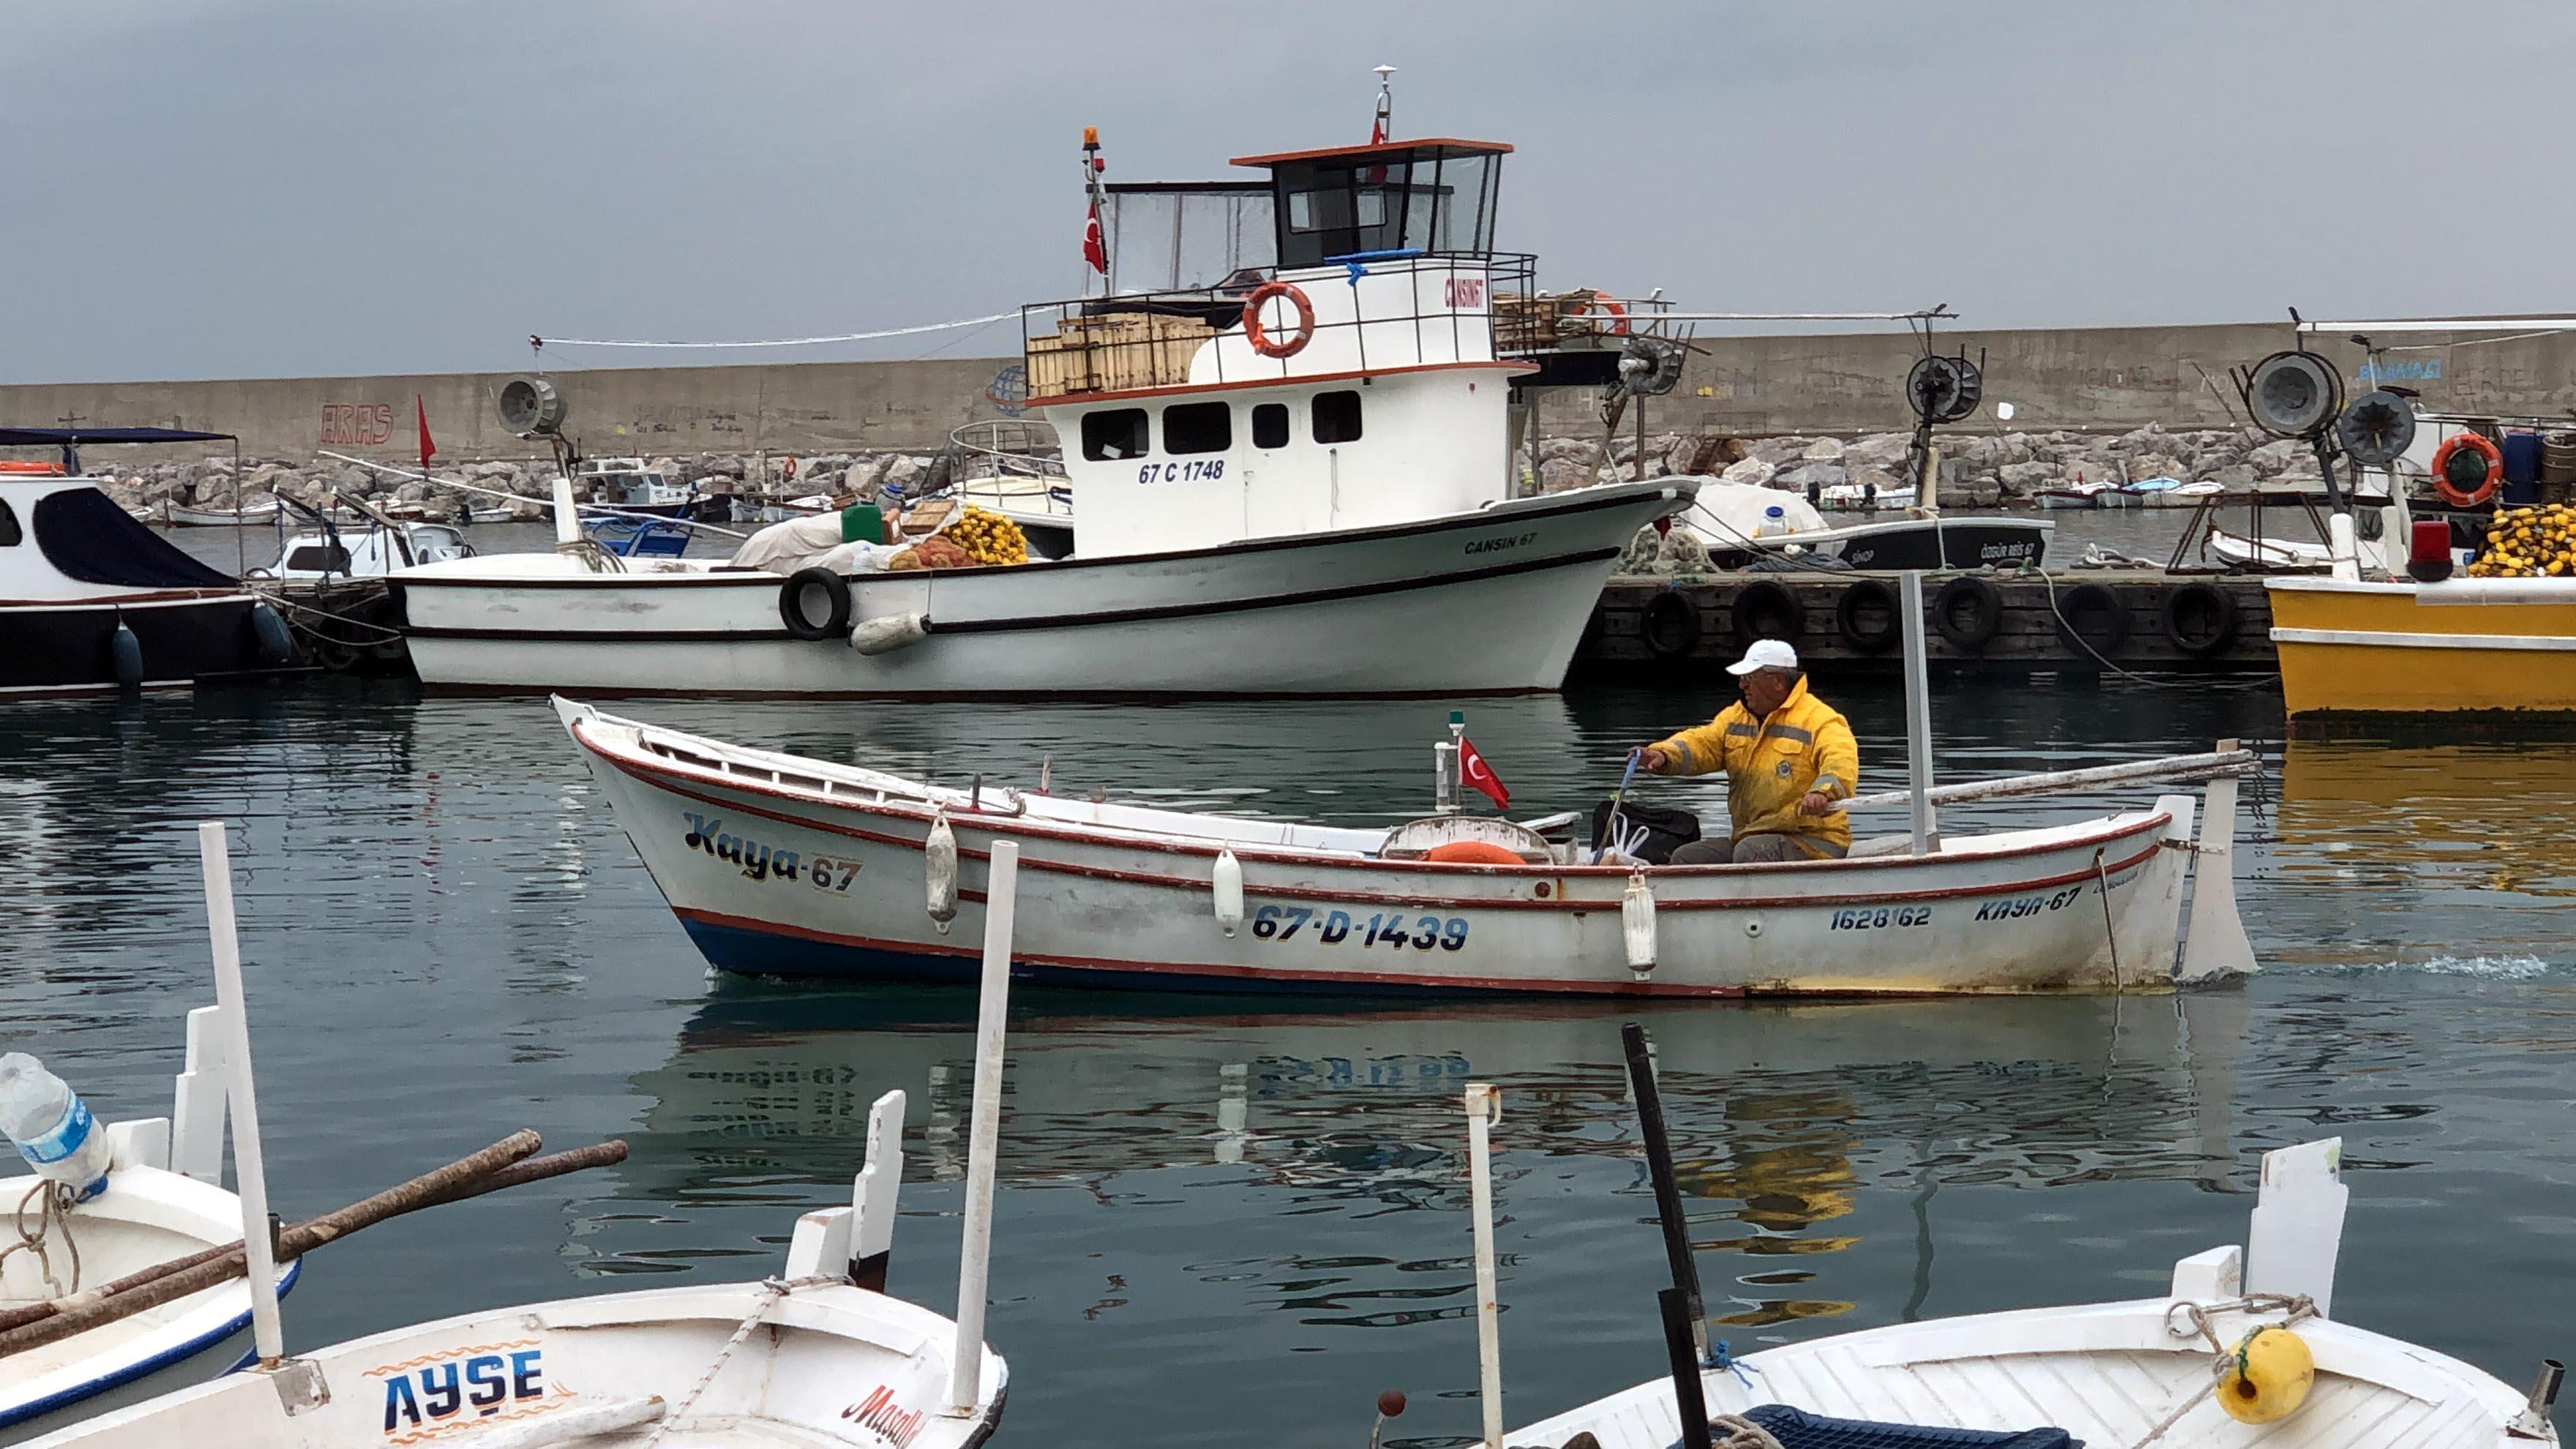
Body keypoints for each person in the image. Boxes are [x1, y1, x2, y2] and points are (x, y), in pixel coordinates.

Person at [1638, 640, 1857, 864]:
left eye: (1748, 678)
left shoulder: (1821, 720)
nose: (1742, 686)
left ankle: (1753, 900)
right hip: (1751, 835)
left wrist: (1823, 793)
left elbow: (1841, 761)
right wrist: (1664, 754)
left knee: (1750, 851)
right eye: (1742, 679)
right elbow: (1703, 743)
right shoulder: (1737, 717)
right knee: (1686, 857)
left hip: (1813, 840)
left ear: (1778, 681)